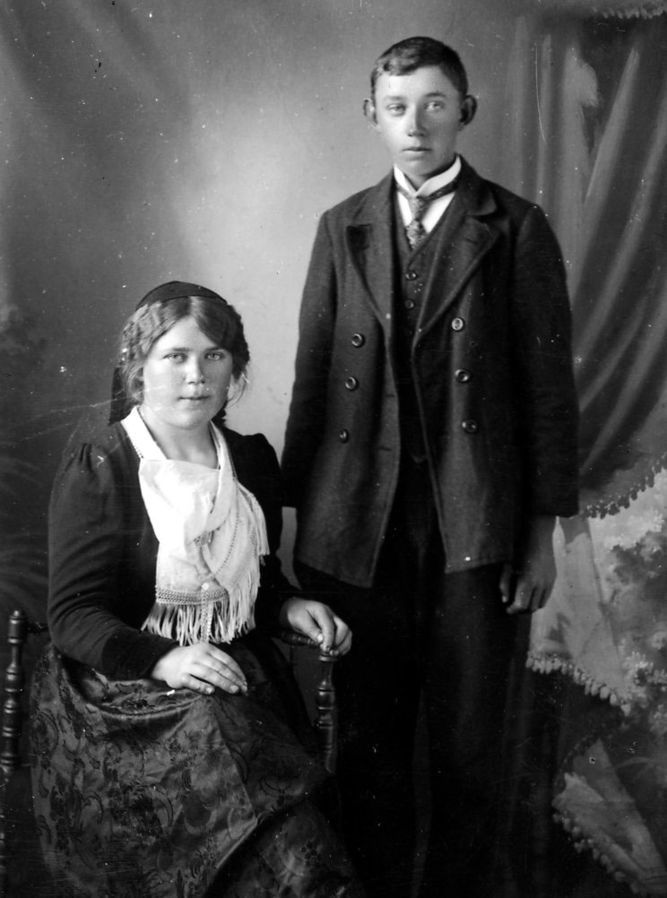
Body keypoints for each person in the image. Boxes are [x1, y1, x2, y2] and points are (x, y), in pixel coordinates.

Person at [281, 36, 579, 898]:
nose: (416, 124)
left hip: (473, 525)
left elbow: (547, 395)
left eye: (435, 105)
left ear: (465, 113)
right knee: (367, 747)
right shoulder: (341, 227)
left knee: (470, 751)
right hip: (357, 525)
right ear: (372, 116)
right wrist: (296, 521)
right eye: (398, 107)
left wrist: (538, 535)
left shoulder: (515, 229)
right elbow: (312, 383)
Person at [30, 281, 364, 898]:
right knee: (250, 799)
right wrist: (166, 659)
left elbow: (257, 585)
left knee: (284, 826)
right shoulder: (104, 462)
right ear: (139, 368)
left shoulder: (249, 460)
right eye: (176, 356)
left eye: (214, 356)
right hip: (121, 691)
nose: (196, 375)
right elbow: (73, 615)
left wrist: (291, 605)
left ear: (235, 366)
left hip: (228, 674)